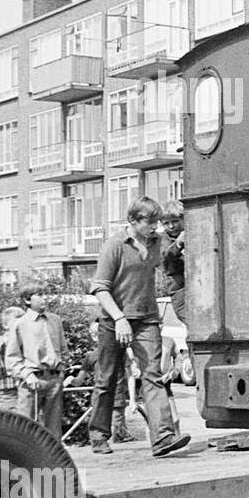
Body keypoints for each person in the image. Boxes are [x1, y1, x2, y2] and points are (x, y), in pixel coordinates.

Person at [89, 195, 189, 458]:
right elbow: (100, 288)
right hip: (115, 321)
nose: (156, 227)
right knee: (107, 378)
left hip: (146, 319)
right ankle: (99, 435)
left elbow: (170, 258)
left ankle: (163, 438)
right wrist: (119, 319)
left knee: (153, 375)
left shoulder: (157, 241)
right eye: (150, 222)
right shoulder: (114, 245)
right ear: (132, 221)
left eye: (158, 222)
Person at [4, 284, 68, 439]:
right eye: (39, 294)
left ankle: (52, 463)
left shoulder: (55, 320)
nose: (44, 298)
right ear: (27, 300)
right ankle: (23, 462)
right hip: (32, 382)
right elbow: (11, 359)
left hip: (54, 380)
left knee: (54, 432)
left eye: (45, 294)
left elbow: (63, 350)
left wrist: (61, 373)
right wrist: (28, 375)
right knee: (26, 429)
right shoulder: (20, 324)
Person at [68, 321, 137, 443]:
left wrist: (132, 400)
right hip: (99, 401)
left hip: (117, 399)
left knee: (114, 430)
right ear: (94, 337)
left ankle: (114, 450)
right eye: (98, 334)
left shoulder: (120, 353)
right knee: (100, 432)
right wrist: (70, 380)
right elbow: (79, 381)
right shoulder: (91, 356)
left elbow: (130, 376)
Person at [160, 200, 186, 324]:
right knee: (193, 322)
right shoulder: (162, 239)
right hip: (179, 289)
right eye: (166, 223)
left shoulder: (195, 232)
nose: (171, 226)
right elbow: (166, 255)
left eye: (175, 221)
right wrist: (178, 244)